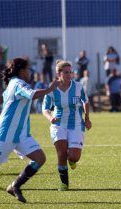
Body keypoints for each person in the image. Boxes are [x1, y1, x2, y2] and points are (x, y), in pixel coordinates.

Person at [0, 57, 58, 204]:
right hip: (6, 133)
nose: (30, 72)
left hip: (20, 133)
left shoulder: (17, 83)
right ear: (21, 71)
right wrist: (49, 89)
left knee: (40, 158)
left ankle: (15, 186)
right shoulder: (17, 83)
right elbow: (32, 95)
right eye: (28, 69)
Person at [42, 60, 92, 191]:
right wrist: (50, 117)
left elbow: (86, 102)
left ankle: (72, 159)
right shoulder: (52, 88)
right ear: (59, 74)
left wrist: (87, 119)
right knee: (61, 154)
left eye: (71, 72)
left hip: (76, 124)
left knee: (74, 157)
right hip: (58, 124)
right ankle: (64, 184)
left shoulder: (78, 86)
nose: (69, 74)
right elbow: (45, 108)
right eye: (66, 72)